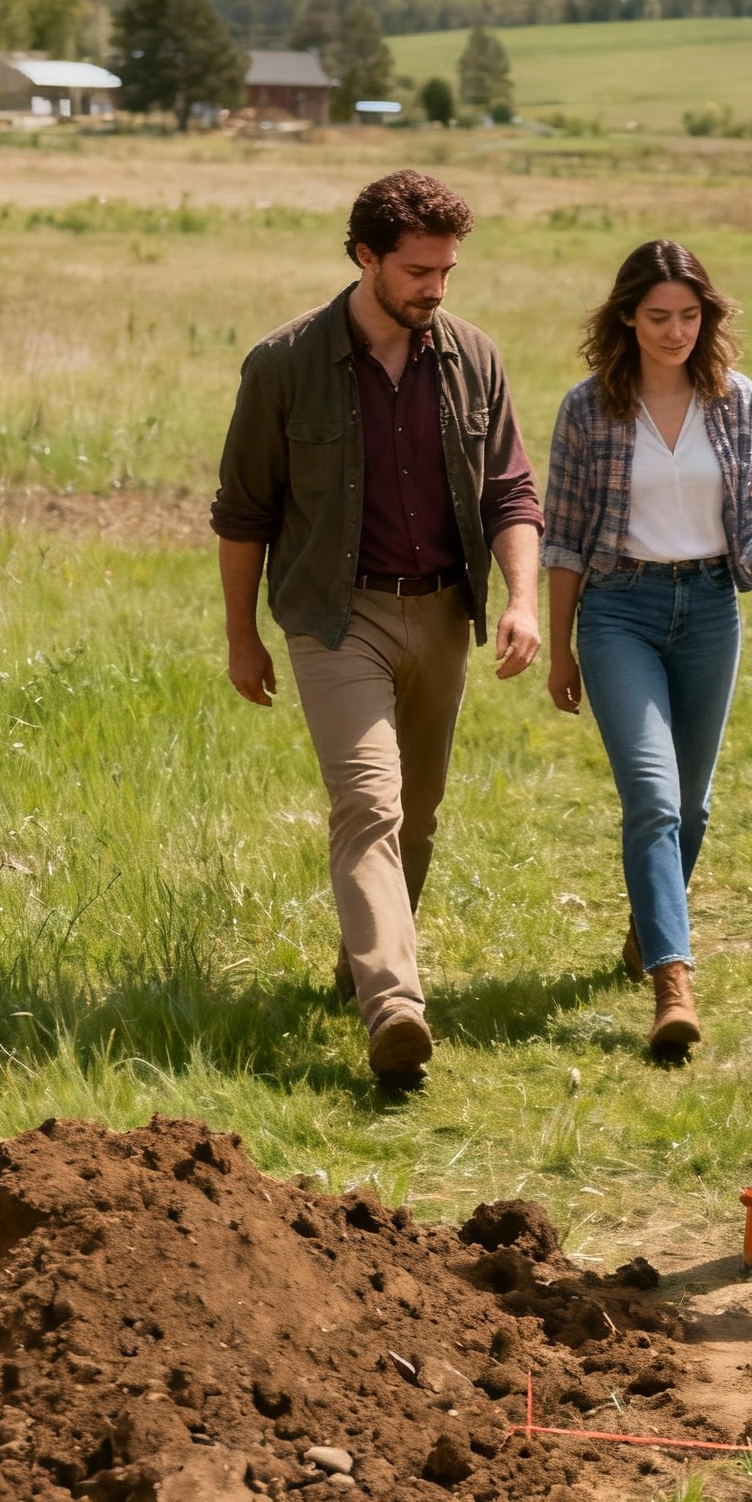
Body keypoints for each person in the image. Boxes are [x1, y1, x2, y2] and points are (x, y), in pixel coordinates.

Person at [211, 169, 543, 1086]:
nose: (435, 288)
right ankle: (394, 1005)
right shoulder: (283, 366)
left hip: (442, 611)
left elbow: (511, 491)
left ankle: (360, 960)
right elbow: (243, 513)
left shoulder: (473, 357)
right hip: (335, 614)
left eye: (446, 272)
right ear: (366, 256)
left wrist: (521, 599)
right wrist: (241, 636)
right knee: (370, 804)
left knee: (419, 815)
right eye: (417, 271)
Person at [540, 239, 752, 1056]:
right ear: (627, 317)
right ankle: (673, 984)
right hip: (619, 611)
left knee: (692, 805)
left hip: (711, 609)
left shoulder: (736, 401)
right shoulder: (588, 409)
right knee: (652, 796)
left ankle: (648, 926)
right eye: (658, 317)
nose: (675, 332)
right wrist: (560, 649)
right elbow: (564, 538)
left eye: (689, 316)